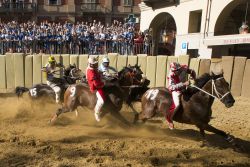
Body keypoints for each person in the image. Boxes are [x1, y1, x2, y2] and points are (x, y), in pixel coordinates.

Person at [166, 62, 196, 130]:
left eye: (178, 70)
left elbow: (192, 71)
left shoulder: (183, 68)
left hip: (184, 87)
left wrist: (193, 77)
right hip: (176, 90)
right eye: (175, 70)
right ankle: (169, 120)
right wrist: (184, 84)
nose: (177, 72)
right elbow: (170, 87)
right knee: (177, 105)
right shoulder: (171, 75)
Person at [86, 56, 105, 122]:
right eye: (94, 64)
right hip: (95, 88)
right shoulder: (90, 72)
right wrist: (103, 84)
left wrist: (101, 74)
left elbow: (98, 75)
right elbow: (96, 84)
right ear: (90, 64)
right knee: (101, 101)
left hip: (99, 83)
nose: (96, 65)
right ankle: (96, 112)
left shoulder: (94, 69)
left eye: (95, 64)